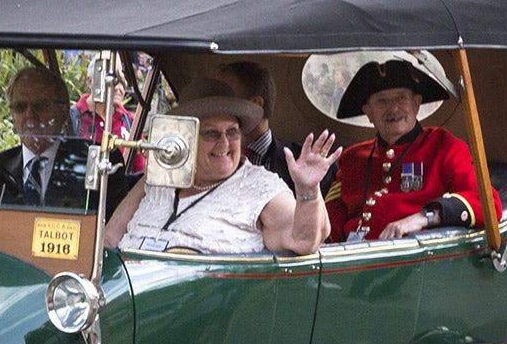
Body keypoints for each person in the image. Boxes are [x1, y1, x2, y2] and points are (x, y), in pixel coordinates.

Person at [104, 85, 338, 256]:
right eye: (211, 133)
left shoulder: (259, 186)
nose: (225, 143)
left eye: (232, 132)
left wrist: (308, 191)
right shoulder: (159, 176)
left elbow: (304, 240)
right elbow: (109, 240)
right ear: (186, 138)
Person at [323, 58, 495, 243]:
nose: (394, 108)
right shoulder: (352, 159)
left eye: (401, 98)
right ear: (369, 113)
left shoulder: (443, 146)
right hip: (350, 262)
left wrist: (425, 217)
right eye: (382, 101)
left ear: (416, 104)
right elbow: (329, 220)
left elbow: (488, 204)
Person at [0, 65, 96, 209]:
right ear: (13, 116)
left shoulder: (94, 165)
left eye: (41, 106)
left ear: (64, 112)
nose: (29, 114)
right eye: (20, 107)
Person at [217, 60, 299, 187]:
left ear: (255, 104)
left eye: (226, 100)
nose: (216, 108)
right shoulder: (205, 156)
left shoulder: (299, 162)